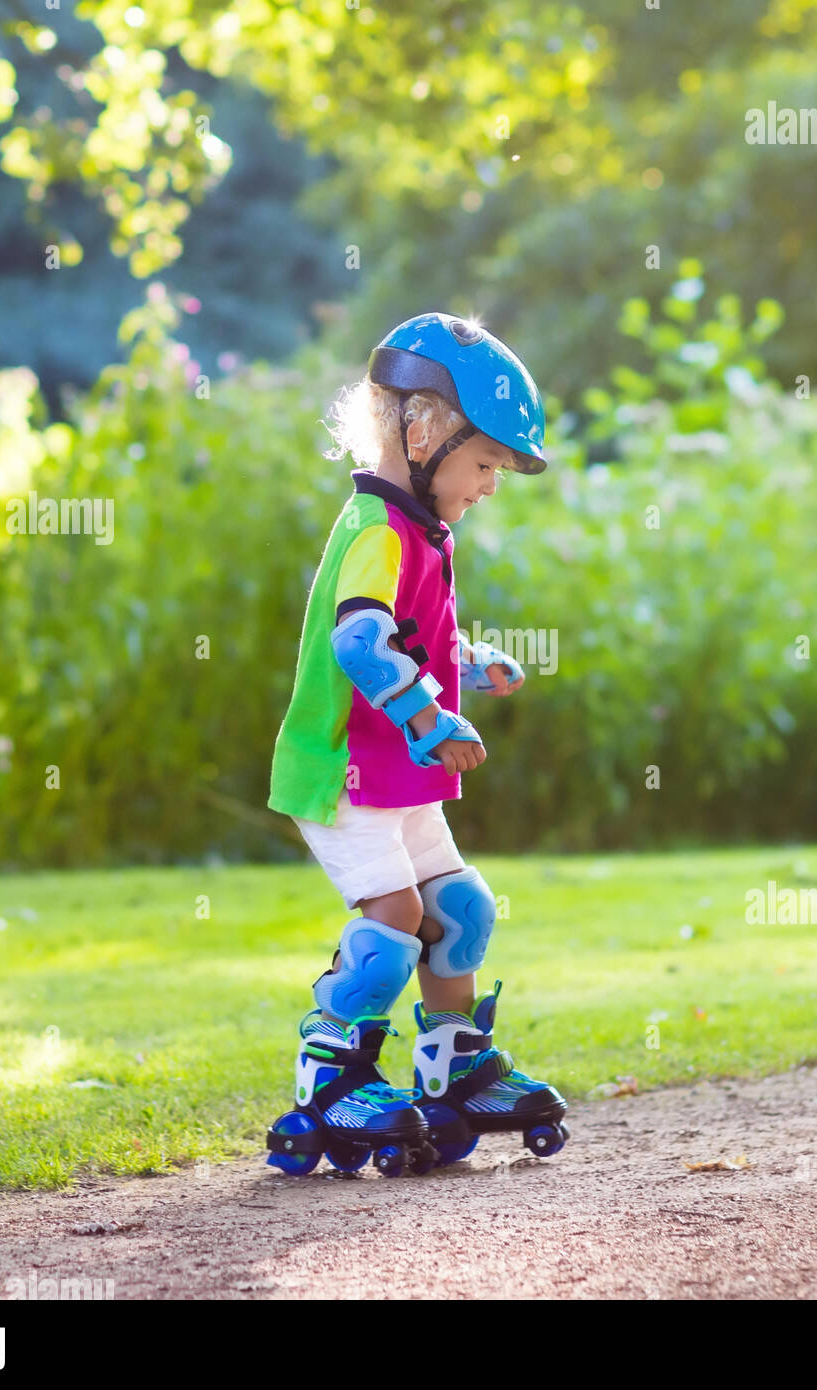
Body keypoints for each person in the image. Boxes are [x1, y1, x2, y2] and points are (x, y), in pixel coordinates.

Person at [264, 312, 569, 1177]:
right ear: (423, 430)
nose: (490, 485)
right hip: (344, 772)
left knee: (463, 910)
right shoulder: (374, 529)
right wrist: (433, 720)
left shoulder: (421, 535)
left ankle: (453, 1068)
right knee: (397, 918)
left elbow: (408, 639)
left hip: (398, 776)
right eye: (484, 464)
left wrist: (466, 667)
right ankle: (329, 1076)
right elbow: (358, 646)